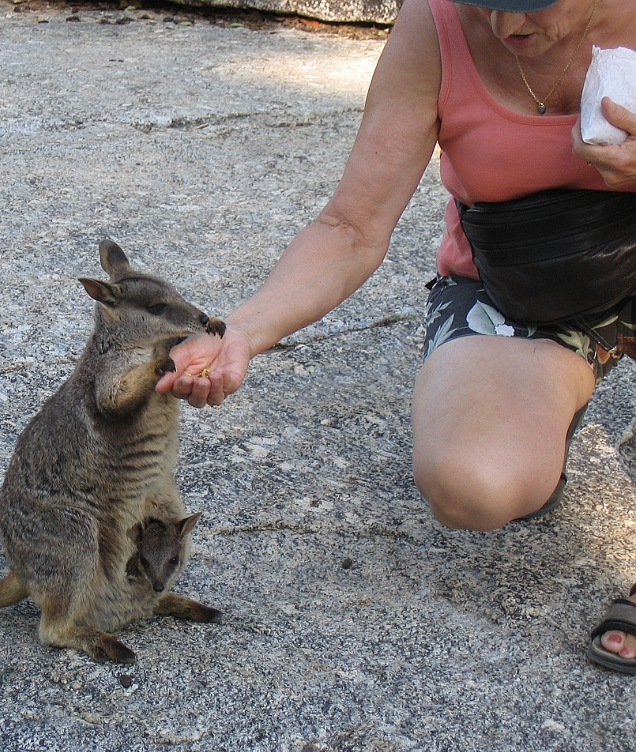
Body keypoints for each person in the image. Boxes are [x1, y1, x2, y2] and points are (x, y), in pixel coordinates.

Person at [155, 0, 636, 672]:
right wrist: (241, 331)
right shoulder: (435, 23)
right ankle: (550, 402)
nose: (504, 25)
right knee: (472, 483)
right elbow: (351, 226)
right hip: (524, 285)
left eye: (531, 3)